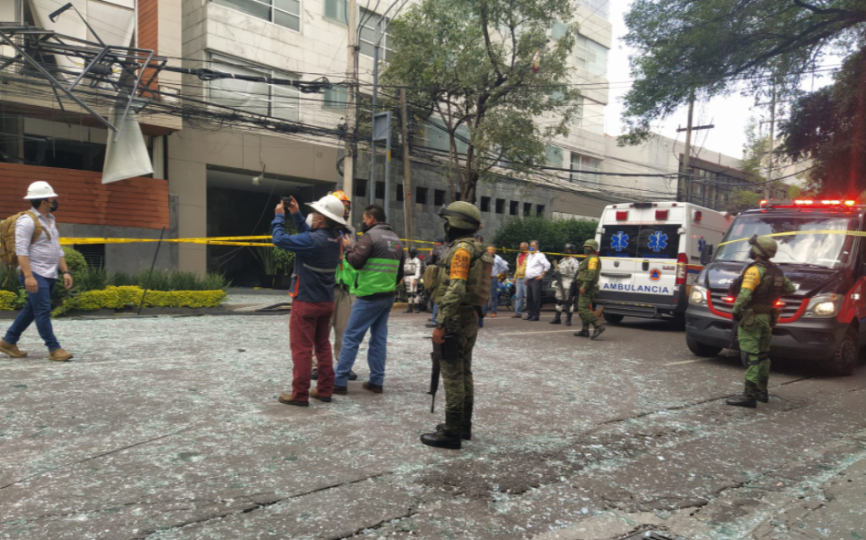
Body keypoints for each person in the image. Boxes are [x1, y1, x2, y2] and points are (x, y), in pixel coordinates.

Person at [421, 201, 490, 450]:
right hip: (469, 317)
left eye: (448, 222)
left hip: (455, 319)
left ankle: (451, 433)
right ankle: (462, 426)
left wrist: (440, 324)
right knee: (465, 374)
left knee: (452, 376)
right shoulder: (476, 247)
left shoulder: (461, 250)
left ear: (457, 224)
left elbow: (457, 287)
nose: (446, 226)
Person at [273, 194, 346, 407]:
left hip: (306, 301)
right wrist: (295, 215)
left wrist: (279, 217)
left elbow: (279, 239)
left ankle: (300, 394)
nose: (311, 216)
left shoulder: (314, 241)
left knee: (301, 348)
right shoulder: (335, 238)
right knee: (322, 345)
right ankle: (324, 390)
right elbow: (310, 237)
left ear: (322, 219)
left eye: (315, 213)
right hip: (326, 301)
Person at [333, 204, 405, 394]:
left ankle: (339, 381)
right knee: (379, 339)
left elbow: (356, 262)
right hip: (387, 296)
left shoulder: (370, 237)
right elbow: (399, 275)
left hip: (368, 296)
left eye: (365, 218)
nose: (363, 222)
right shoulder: (397, 240)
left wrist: (348, 248)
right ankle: (376, 381)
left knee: (351, 337)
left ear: (371, 218)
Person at [0, 181, 74, 362]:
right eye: (51, 198)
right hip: (35, 273)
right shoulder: (26, 221)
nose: (54, 200)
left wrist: (65, 272)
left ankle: (8, 342)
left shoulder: (51, 220)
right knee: (42, 310)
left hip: (50, 273)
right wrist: (28, 276)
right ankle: (54, 348)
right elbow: (21, 251)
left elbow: (57, 249)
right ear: (43, 201)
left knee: (32, 309)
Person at [726, 235, 796, 408]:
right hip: (768, 318)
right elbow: (791, 289)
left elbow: (744, 295)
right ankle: (761, 392)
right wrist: (770, 295)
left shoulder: (754, 270)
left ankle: (748, 396)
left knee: (751, 357)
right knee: (763, 356)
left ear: (758, 250)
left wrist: (735, 311)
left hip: (752, 319)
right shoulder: (777, 271)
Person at [303, 191, 357, 383]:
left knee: (344, 330)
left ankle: (342, 365)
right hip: (327, 286)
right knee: (321, 330)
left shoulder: (350, 232)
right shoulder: (320, 231)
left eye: (346, 206)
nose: (345, 210)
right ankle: (317, 366)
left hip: (345, 288)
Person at [571, 239, 604, 340]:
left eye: (588, 247)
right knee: (584, 308)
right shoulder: (589, 258)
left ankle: (598, 326)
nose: (585, 249)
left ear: (593, 248)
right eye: (585, 247)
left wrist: (584, 286)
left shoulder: (593, 259)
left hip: (588, 288)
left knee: (582, 309)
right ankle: (585, 330)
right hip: (584, 287)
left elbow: (591, 273)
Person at [550, 244, 580, 326]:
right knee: (559, 300)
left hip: (569, 282)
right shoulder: (561, 260)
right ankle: (557, 318)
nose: (566, 251)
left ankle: (568, 319)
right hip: (561, 281)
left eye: (568, 250)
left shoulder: (574, 261)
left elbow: (577, 273)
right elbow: (557, 269)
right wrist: (554, 273)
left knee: (569, 302)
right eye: (565, 249)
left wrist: (574, 283)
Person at [523, 240, 550, 322]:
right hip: (529, 279)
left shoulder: (539, 255)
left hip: (536, 279)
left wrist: (542, 274)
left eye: (532, 246)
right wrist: (527, 278)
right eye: (530, 245)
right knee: (529, 298)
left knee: (536, 298)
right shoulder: (529, 255)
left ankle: (536, 315)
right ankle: (530, 314)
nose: (531, 247)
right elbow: (529, 268)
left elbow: (547, 265)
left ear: (536, 247)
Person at [426, 237, 447, 329]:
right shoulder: (452, 248)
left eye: (436, 242)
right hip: (450, 275)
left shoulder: (437, 250)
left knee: (436, 297)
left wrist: (431, 256)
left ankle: (435, 320)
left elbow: (429, 262)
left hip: (439, 275)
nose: (435, 243)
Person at [482, 246, 508, 318]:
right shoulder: (484, 257)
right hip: (485, 278)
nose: (489, 252)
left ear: (494, 251)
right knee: (485, 295)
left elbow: (505, 267)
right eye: (488, 251)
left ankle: (494, 312)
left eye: (491, 251)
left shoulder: (498, 258)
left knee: (493, 295)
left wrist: (499, 273)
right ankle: (484, 311)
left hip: (493, 278)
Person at [511, 242, 529, 318]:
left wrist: (527, 277)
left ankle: (529, 313)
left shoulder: (529, 256)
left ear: (526, 248)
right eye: (520, 247)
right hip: (518, 278)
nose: (521, 249)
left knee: (527, 296)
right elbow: (517, 267)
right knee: (518, 296)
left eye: (523, 247)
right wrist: (515, 277)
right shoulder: (519, 255)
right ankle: (517, 313)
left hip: (525, 277)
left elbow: (529, 267)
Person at [403, 247, 423, 314]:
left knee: (414, 293)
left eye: (410, 253)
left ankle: (417, 308)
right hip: (407, 277)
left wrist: (415, 279)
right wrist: (403, 278)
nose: (409, 254)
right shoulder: (407, 260)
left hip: (413, 277)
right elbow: (404, 270)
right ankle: (410, 308)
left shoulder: (417, 260)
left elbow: (418, 270)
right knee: (409, 293)